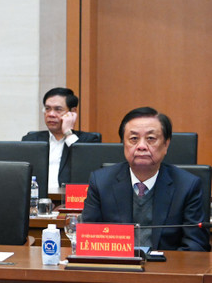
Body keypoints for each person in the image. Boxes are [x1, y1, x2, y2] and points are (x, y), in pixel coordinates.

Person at [82, 107, 209, 251]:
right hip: (117, 269)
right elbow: (88, 238)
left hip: (165, 269)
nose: (141, 146)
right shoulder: (101, 182)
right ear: (123, 144)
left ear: (166, 144)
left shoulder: (187, 186)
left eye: (150, 139)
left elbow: (196, 245)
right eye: (134, 139)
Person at [21, 87, 100, 191]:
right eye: (47, 108)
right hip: (37, 200)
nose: (51, 114)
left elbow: (85, 165)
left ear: (73, 112)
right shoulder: (31, 140)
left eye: (58, 109)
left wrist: (68, 133)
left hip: (70, 201)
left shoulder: (88, 140)